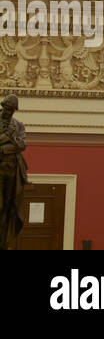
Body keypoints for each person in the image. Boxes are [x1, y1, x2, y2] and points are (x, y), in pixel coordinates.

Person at [0, 94, 28, 250]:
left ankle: (3, 242)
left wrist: (5, 145)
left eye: (12, 111)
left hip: (12, 170)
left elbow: (22, 145)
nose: (8, 113)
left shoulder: (18, 125)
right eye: (7, 109)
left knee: (10, 207)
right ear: (3, 106)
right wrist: (9, 143)